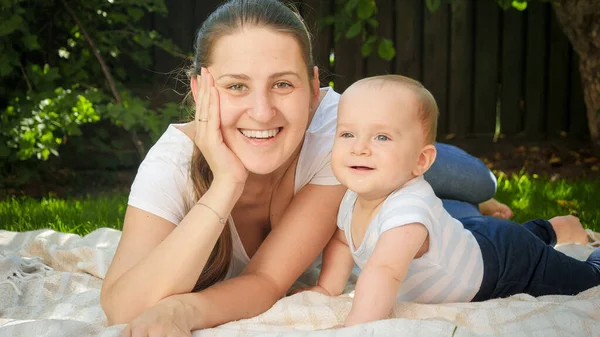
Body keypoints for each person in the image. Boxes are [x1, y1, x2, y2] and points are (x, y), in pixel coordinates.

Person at [99, 1, 511, 335]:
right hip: (378, 198)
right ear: (200, 90)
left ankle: (481, 194)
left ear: (314, 89)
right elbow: (123, 306)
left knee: (463, 181)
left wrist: (184, 310)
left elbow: (267, 281)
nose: (262, 112)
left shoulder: (336, 130)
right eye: (236, 86)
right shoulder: (172, 163)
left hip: (378, 164)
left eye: (282, 84)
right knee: (436, 223)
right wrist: (225, 183)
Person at [296, 75, 599, 327]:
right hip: (472, 235)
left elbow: (383, 272)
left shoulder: (408, 211)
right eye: (347, 134)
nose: (359, 148)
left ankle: (559, 239)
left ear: (421, 160)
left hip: (502, 266)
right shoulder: (352, 197)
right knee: (506, 237)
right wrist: (328, 288)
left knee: (584, 280)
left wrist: (357, 325)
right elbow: (340, 241)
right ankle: (550, 228)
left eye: (382, 138)